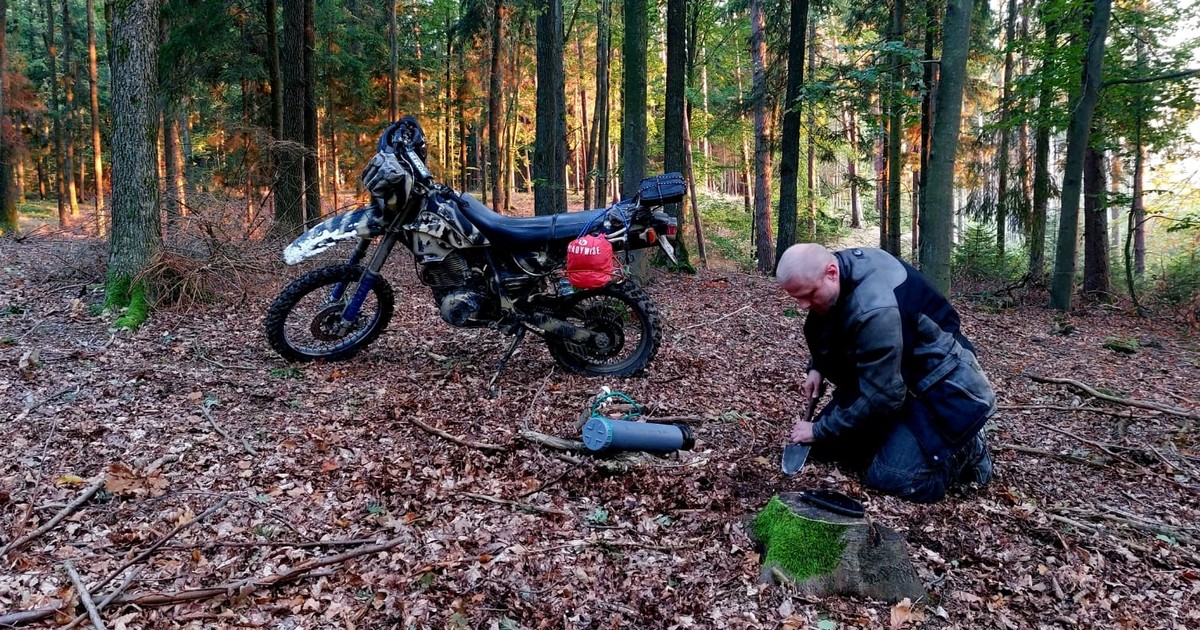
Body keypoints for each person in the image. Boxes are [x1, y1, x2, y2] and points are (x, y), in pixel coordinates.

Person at [776, 243, 995, 503]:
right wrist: (817, 367)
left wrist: (819, 429)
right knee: (827, 450)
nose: (802, 306)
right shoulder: (839, 276)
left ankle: (967, 447)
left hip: (943, 390)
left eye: (808, 295)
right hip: (897, 378)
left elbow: (883, 396)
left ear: (831, 273)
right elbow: (839, 327)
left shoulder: (877, 307)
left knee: (892, 478)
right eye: (796, 297)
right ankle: (900, 441)